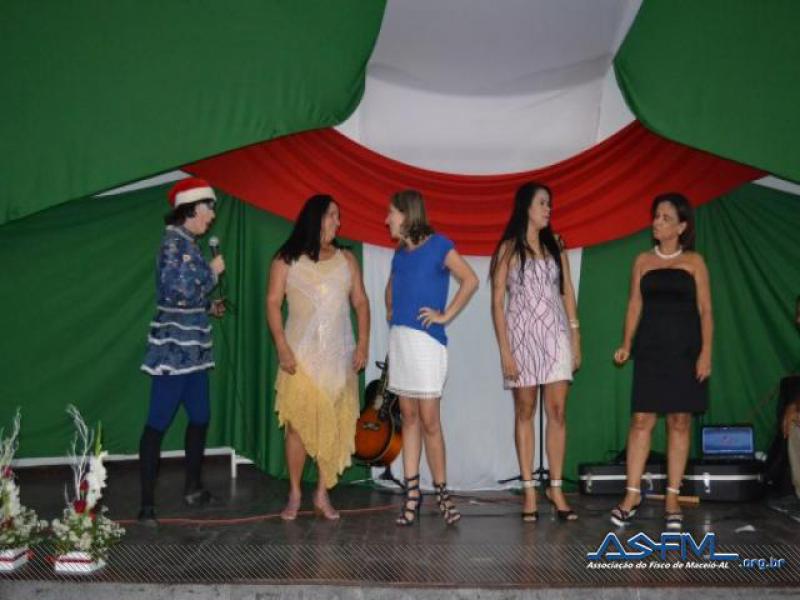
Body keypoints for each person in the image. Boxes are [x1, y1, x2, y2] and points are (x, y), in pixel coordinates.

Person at [611, 193, 713, 530]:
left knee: (680, 422)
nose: (657, 222)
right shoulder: (642, 260)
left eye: (665, 218)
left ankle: (672, 497)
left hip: (685, 351)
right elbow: (634, 305)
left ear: (682, 227)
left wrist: (706, 353)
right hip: (651, 350)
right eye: (656, 216)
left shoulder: (695, 262)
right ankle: (631, 495)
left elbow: (705, 310)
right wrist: (626, 344)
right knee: (641, 420)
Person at [266, 195, 370, 521]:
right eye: (333, 215)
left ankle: (322, 493)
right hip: (300, 359)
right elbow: (272, 302)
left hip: (338, 358)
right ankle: (295, 492)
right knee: (296, 428)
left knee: (335, 425)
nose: (338, 222)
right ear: (317, 218)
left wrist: (363, 344)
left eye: (338, 216)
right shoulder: (286, 259)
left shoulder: (347, 259)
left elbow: (361, 302)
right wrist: (281, 346)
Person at [384, 190, 479, 526]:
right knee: (408, 417)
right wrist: (392, 310)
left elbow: (470, 279)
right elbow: (392, 289)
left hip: (426, 344)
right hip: (401, 341)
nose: (386, 219)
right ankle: (412, 492)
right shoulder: (399, 253)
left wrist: (445, 315)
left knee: (429, 421)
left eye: (391, 213)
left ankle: (442, 491)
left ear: (407, 214)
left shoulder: (439, 245)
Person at [489, 182, 581, 522]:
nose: (548, 209)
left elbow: (567, 292)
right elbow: (497, 303)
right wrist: (505, 351)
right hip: (521, 339)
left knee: (557, 411)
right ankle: (529, 488)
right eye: (542, 203)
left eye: (549, 204)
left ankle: (555, 488)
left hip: (555, 336)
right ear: (526, 207)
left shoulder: (556, 245)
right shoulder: (508, 249)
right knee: (525, 410)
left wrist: (576, 337)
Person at [138, 177, 226, 526]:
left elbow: (188, 296)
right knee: (157, 423)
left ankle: (193, 487)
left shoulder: (189, 244)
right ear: (191, 209)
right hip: (174, 350)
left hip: (195, 349)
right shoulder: (173, 244)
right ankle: (146, 505)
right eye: (208, 208)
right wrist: (212, 274)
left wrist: (208, 306)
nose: (212, 216)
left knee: (200, 417)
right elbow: (177, 291)